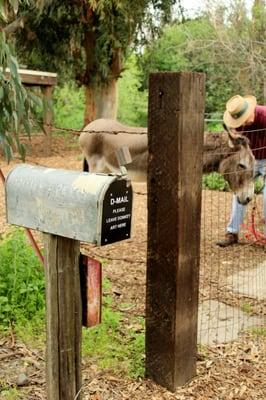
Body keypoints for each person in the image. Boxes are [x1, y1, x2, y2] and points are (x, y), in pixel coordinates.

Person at [217, 94, 266, 247]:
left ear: (251, 109)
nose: (245, 122)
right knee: (239, 193)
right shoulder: (236, 126)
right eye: (241, 120)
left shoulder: (264, 115)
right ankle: (232, 232)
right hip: (248, 161)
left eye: (246, 117)